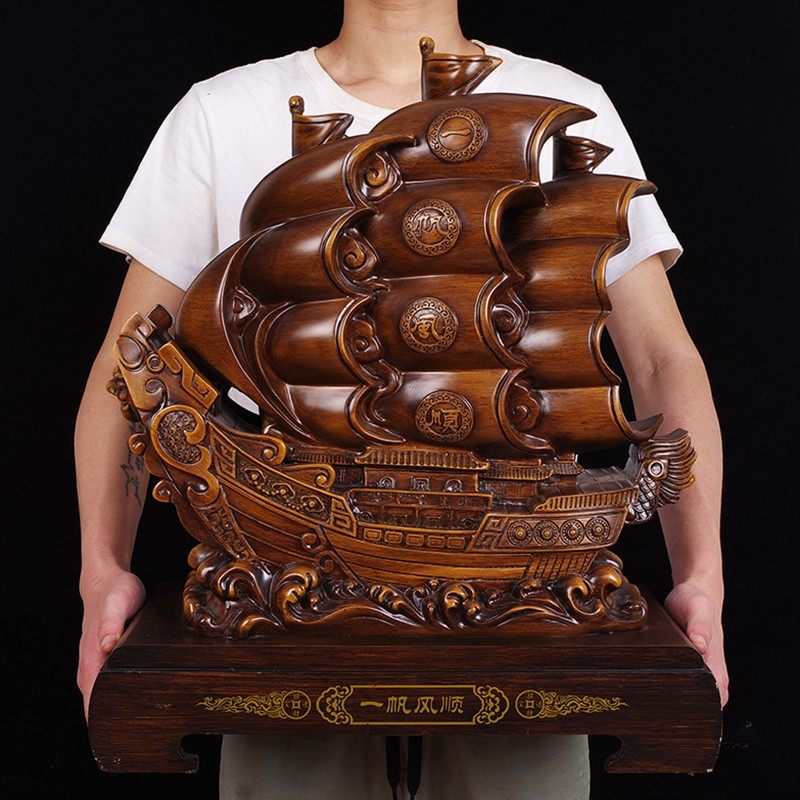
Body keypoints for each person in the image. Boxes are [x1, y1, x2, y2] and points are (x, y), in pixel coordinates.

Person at [76, 1, 728, 797]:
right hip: (283, 651)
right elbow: (123, 363)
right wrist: (102, 570)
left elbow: (661, 359)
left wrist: (702, 575)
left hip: (526, 640)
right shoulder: (221, 113)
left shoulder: (560, 99)